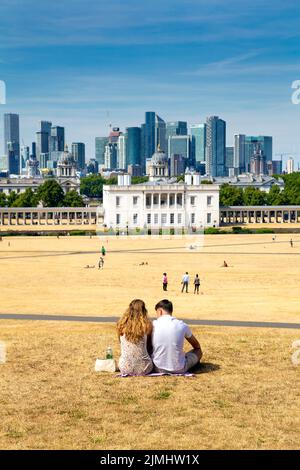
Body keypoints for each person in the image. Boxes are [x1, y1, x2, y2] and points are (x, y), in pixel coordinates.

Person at [151, 299, 202, 374]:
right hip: (179, 368)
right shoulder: (182, 325)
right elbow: (196, 345)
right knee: (198, 351)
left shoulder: (153, 324)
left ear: (160, 311)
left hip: (157, 367)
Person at [117, 299, 153, 376]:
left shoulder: (121, 325)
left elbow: (121, 343)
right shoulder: (147, 325)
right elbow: (149, 346)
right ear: (144, 310)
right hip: (145, 368)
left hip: (125, 367)